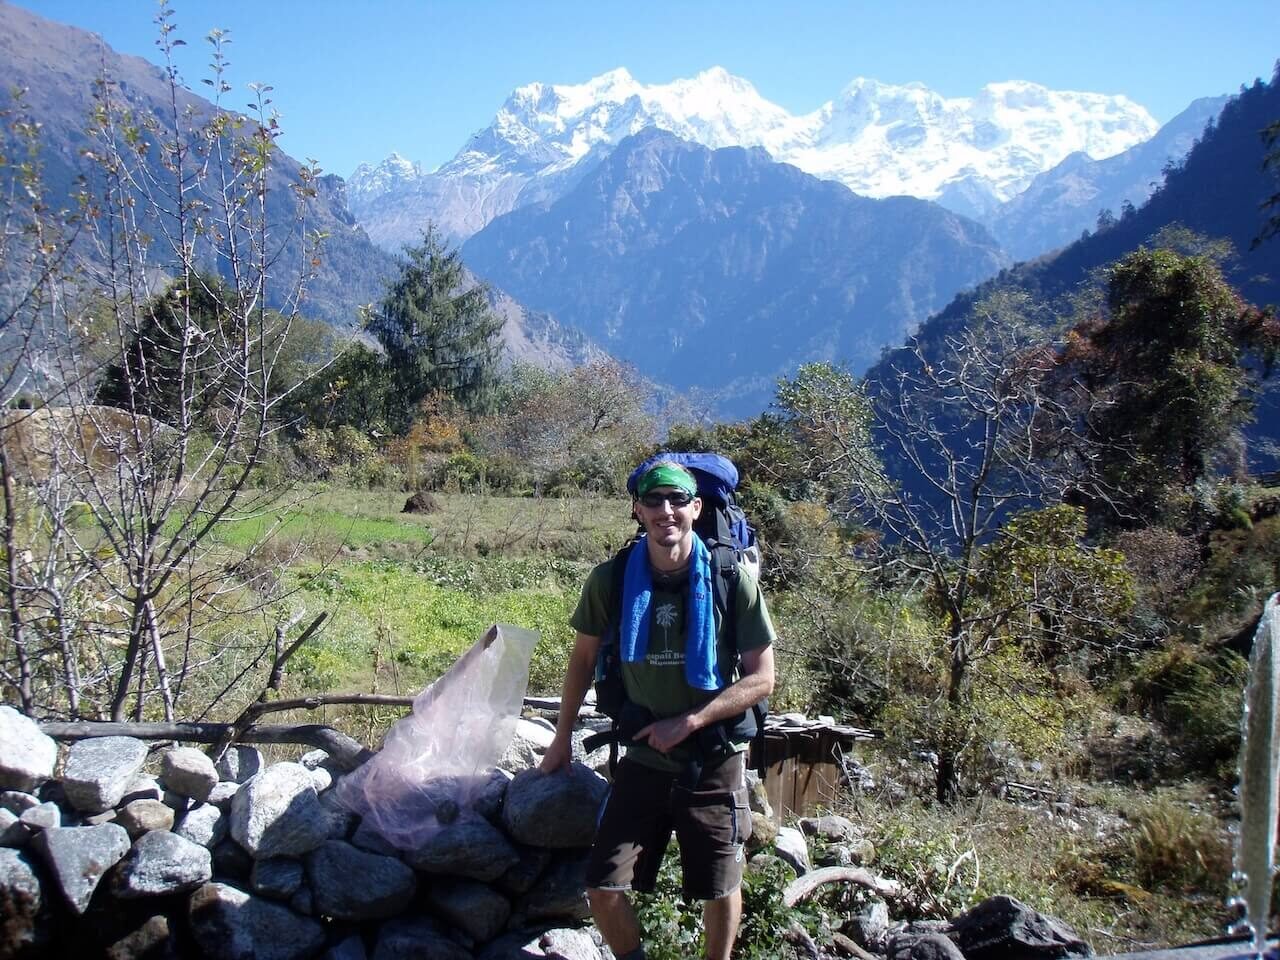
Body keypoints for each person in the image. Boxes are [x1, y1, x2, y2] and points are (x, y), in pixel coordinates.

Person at [540, 460, 776, 960]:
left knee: (719, 883)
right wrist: (560, 741)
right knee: (603, 886)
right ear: (637, 509)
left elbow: (763, 677)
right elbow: (582, 660)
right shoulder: (612, 579)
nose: (664, 511)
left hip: (713, 757)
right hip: (643, 755)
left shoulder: (731, 579)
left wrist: (691, 721)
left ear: (696, 507)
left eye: (676, 500)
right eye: (653, 501)